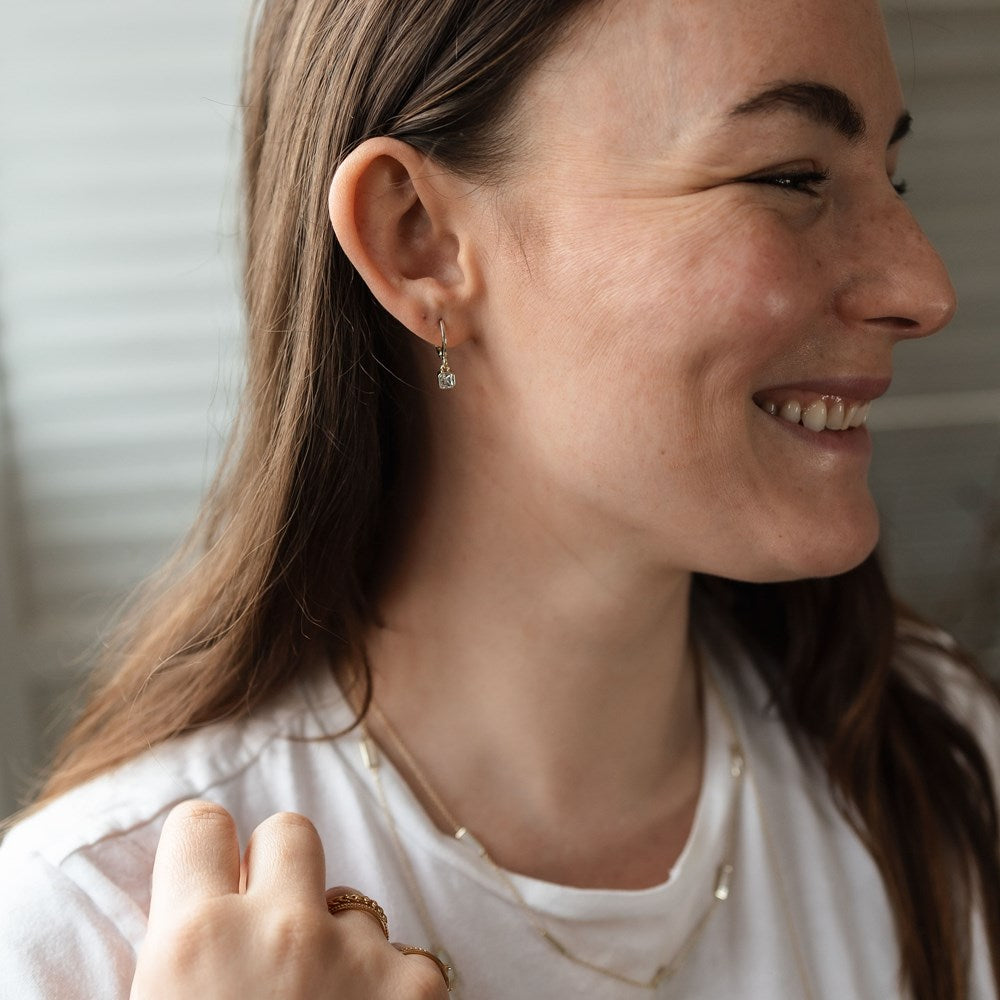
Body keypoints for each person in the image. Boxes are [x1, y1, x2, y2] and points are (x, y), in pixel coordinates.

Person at [1, 0, 997, 997]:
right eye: (789, 177)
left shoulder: (949, 770)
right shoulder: (88, 932)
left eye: (892, 177)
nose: (922, 287)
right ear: (419, 240)